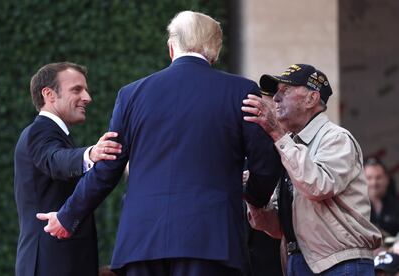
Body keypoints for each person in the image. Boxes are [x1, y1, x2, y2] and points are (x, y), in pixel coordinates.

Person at [36, 11, 282, 276]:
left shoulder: (131, 94)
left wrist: (67, 216)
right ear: (216, 49)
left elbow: (108, 167)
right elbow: (265, 163)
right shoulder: (241, 91)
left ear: (171, 47)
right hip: (211, 241)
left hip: (141, 243)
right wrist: (255, 197)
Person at [242, 64, 382, 275]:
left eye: (285, 91)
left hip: (341, 263)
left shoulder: (336, 138)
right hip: (298, 261)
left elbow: (317, 186)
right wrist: (252, 193)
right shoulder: (290, 145)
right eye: (276, 92)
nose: (276, 98)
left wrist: (277, 134)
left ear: (312, 99)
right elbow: (276, 228)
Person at [14, 62, 122, 276]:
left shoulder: (56, 134)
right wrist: (90, 154)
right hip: (51, 263)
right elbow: (55, 160)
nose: (88, 98)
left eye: (86, 90)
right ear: (49, 94)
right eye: (76, 90)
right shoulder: (39, 131)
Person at [365, 158, 399, 237]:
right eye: (369, 178)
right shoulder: (355, 208)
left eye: (378, 177)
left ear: (387, 179)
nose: (374, 182)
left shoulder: (397, 206)